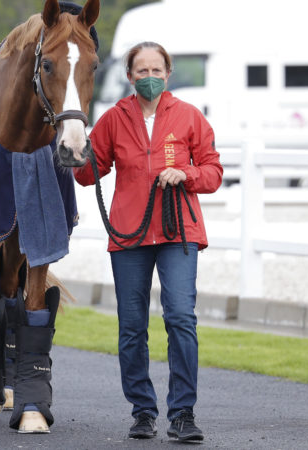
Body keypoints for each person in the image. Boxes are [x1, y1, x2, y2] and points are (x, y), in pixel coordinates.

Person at [74, 42, 223, 442]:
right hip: (129, 236)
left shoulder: (189, 117)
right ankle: (142, 410)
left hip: (178, 233)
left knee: (180, 317)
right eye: (142, 71)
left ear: (168, 73)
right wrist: (75, 147)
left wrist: (186, 173)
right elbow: (90, 174)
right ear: (129, 76)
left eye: (157, 70)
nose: (150, 77)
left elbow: (213, 172)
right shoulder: (114, 118)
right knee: (132, 326)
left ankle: (183, 412)